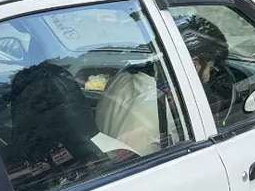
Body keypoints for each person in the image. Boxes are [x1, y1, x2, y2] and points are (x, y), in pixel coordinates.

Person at [96, 16, 229, 153]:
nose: (208, 77)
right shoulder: (161, 109)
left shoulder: (123, 76)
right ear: (194, 64)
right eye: (210, 68)